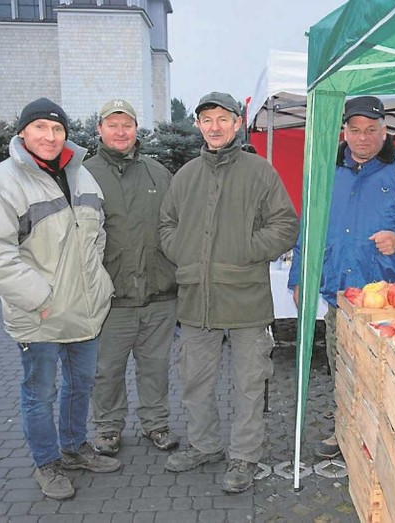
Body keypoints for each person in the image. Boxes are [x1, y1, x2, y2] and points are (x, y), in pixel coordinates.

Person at [288, 95, 395, 458]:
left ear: (385, 131)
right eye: (355, 130)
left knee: (384, 374)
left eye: (371, 130)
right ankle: (343, 430)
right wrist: (300, 276)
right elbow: (308, 229)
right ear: (343, 132)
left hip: (387, 301)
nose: (363, 138)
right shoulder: (326, 171)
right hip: (341, 298)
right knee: (342, 368)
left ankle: (383, 439)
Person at [158, 92, 299, 493]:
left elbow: (285, 225)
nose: (215, 126)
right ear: (198, 126)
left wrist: (244, 251)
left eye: (223, 118)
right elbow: (166, 225)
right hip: (195, 303)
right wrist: (185, 252)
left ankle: (244, 456)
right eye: (207, 120)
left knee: (249, 383)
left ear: (237, 123)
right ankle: (204, 446)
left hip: (246, 301)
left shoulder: (260, 172)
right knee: (194, 381)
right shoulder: (185, 176)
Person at [0, 98, 120, 500]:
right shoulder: (7, 180)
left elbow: (97, 235)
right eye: (40, 128)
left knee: (81, 385)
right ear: (23, 133)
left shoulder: (81, 175)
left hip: (84, 311)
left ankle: (74, 448)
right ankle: (46, 463)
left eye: (57, 129)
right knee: (40, 393)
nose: (50, 137)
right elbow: (2, 255)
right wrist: (39, 297)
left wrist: (99, 285)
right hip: (41, 313)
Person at [84, 99, 178, 456]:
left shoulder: (158, 173)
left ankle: (156, 423)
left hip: (158, 295)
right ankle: (108, 428)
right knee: (106, 370)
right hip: (110, 299)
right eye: (113, 124)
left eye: (127, 124)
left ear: (136, 129)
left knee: (154, 368)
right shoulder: (85, 174)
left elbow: (175, 226)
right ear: (100, 129)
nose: (120, 132)